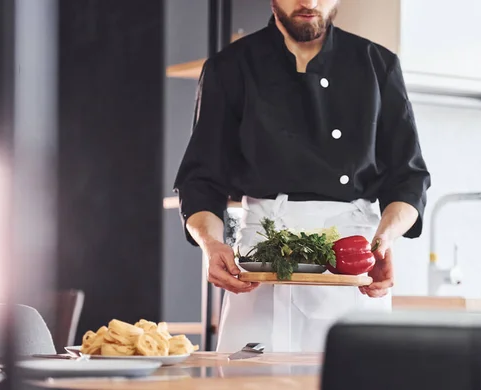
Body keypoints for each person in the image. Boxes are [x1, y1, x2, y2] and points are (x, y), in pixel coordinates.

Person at [173, 0, 431, 352]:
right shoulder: (230, 66)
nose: (308, 2)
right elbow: (201, 180)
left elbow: (408, 176)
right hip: (260, 261)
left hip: (351, 261)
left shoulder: (377, 65)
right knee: (249, 381)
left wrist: (384, 239)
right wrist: (211, 244)